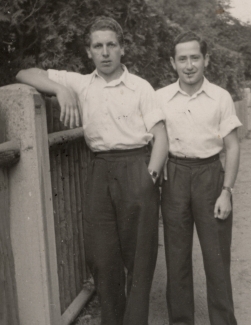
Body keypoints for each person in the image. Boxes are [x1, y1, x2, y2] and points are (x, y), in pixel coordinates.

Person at [16, 16, 168, 325]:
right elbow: (23, 73)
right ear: (89, 52)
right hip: (100, 170)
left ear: (122, 49)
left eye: (111, 45)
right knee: (101, 257)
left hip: (136, 167)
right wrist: (60, 89)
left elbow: (162, 139)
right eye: (98, 46)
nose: (105, 52)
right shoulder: (81, 83)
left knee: (139, 260)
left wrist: (147, 179)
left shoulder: (140, 87)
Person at [156, 31, 241, 325]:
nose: (189, 65)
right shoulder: (161, 98)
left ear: (206, 60)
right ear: (173, 62)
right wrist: (161, 159)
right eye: (182, 59)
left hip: (210, 177)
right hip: (175, 178)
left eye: (195, 57)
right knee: (177, 260)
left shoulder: (220, 96)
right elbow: (151, 140)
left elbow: (232, 146)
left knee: (217, 261)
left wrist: (226, 191)